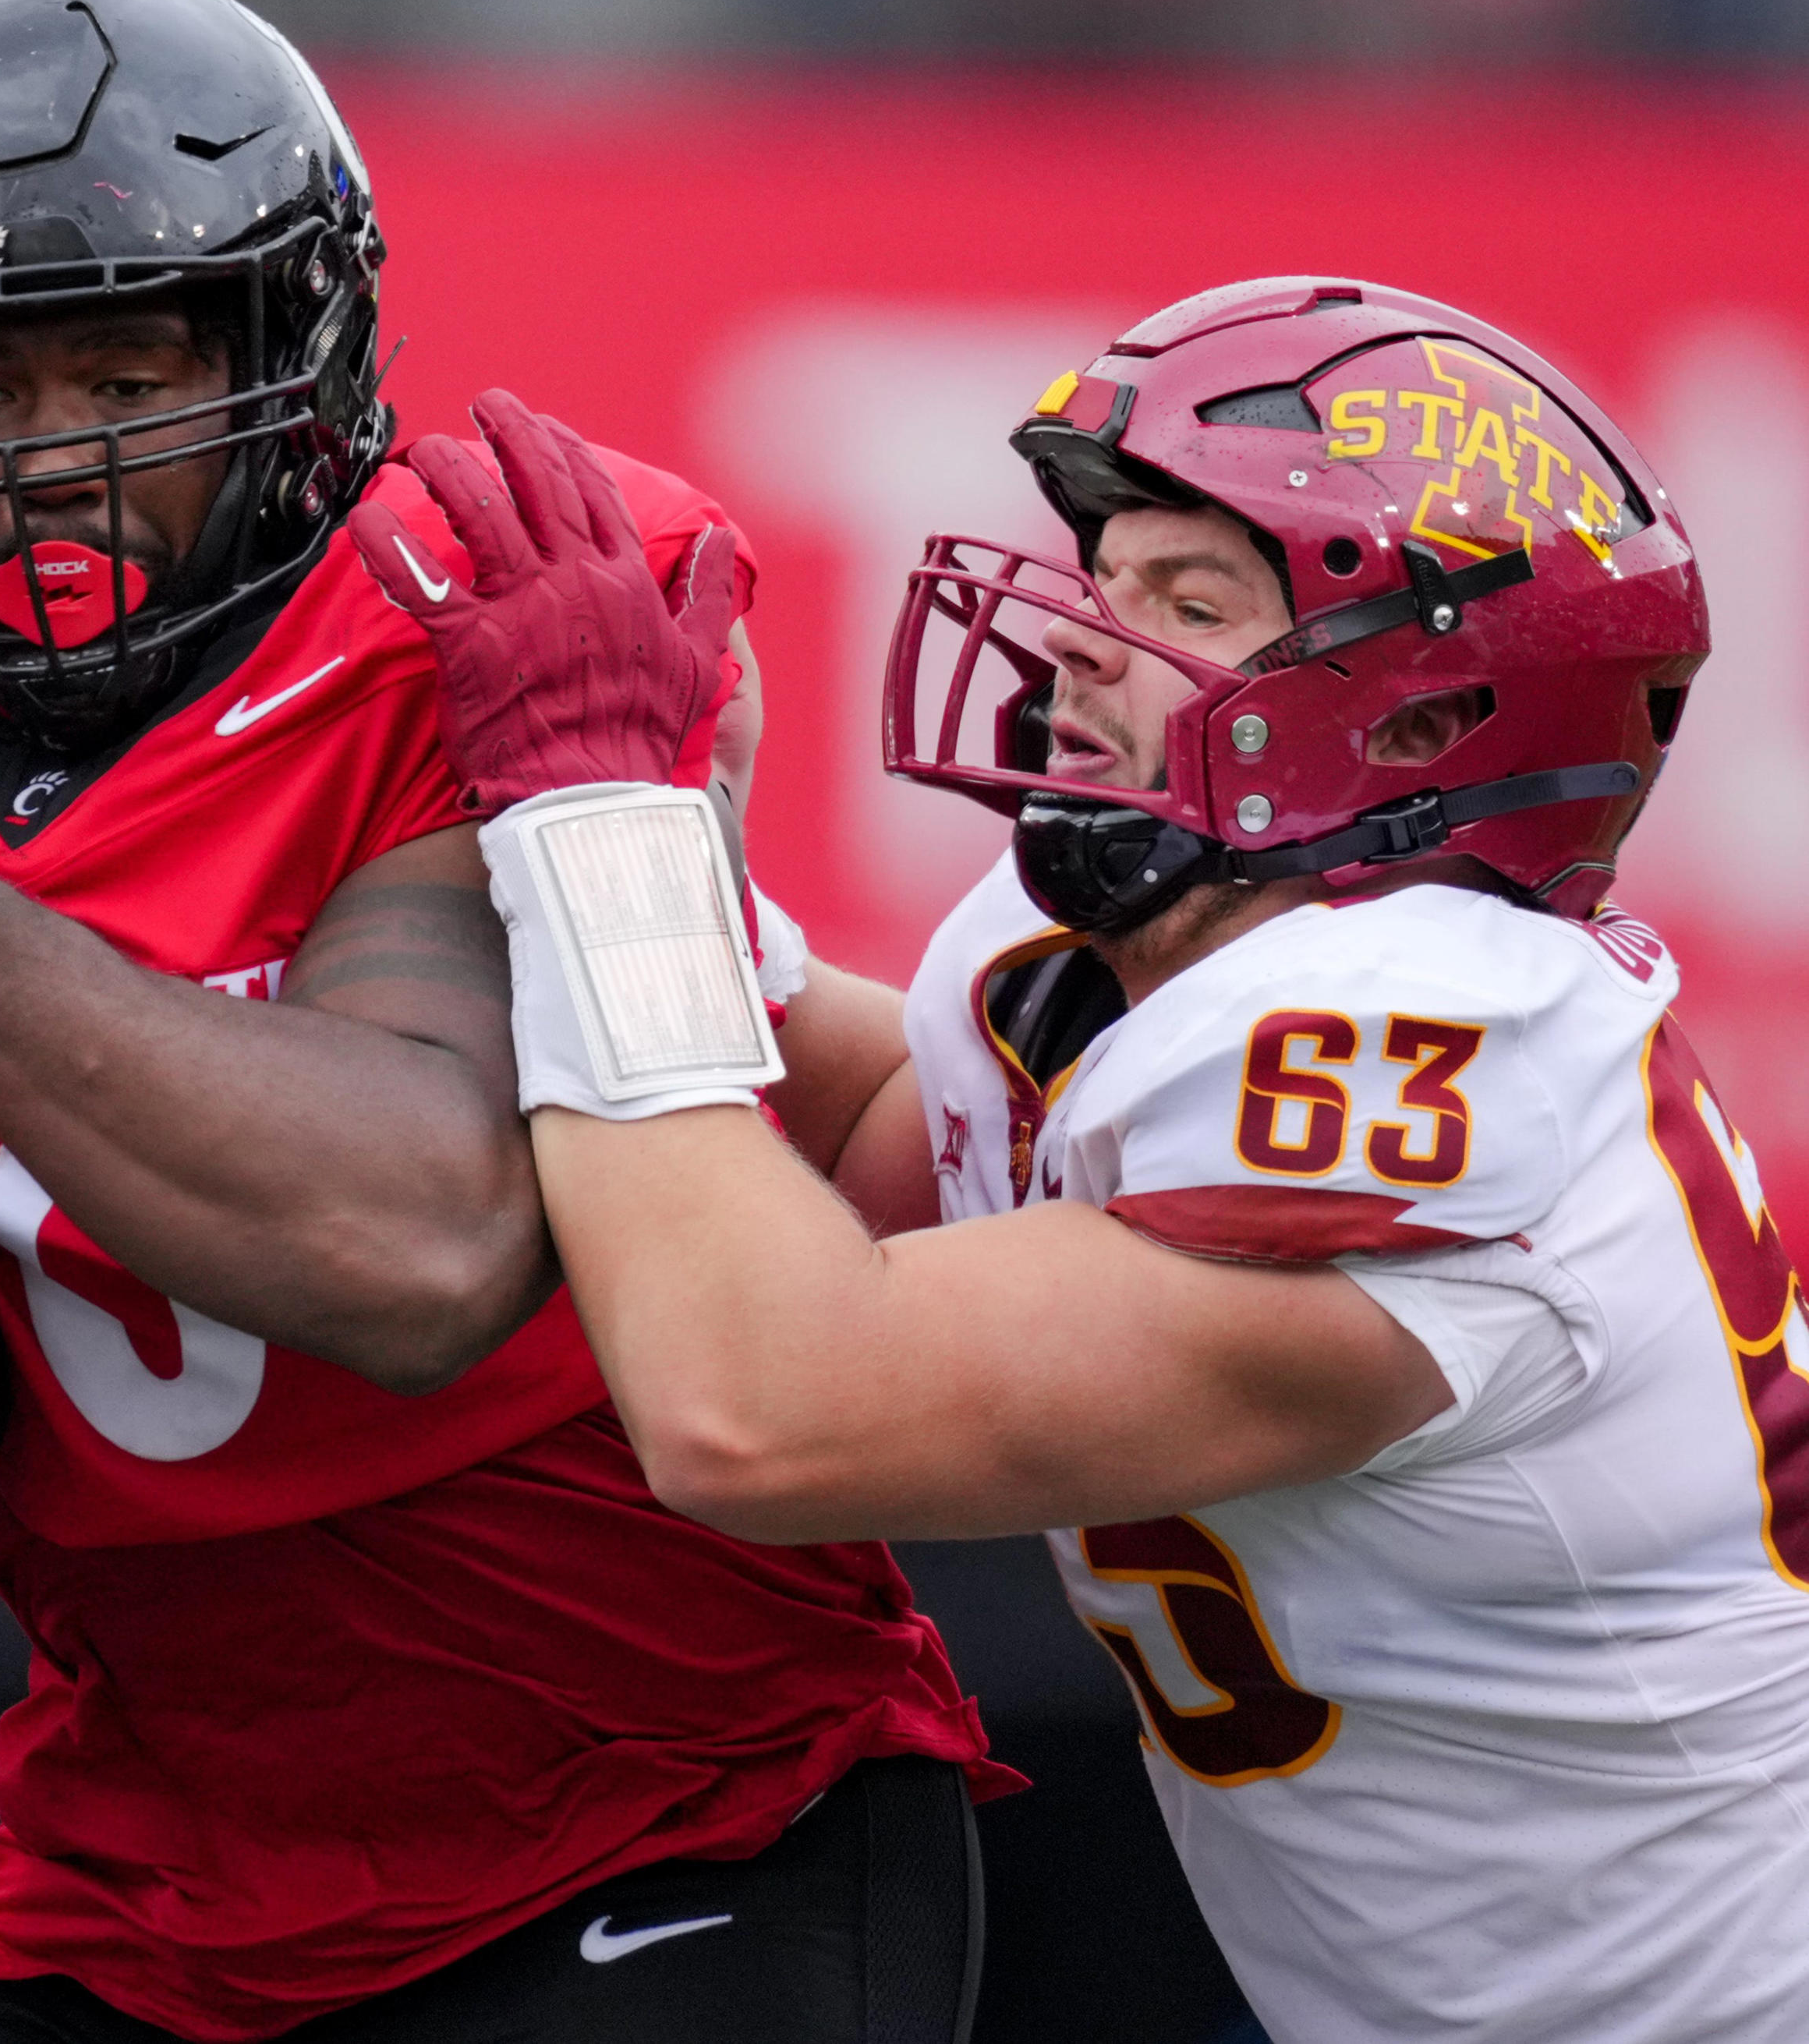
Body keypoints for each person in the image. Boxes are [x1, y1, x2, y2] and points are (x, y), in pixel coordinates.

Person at [0, 0, 1004, 2044]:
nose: (51, 464)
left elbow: (409, 1240)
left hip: (661, 1809)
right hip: (142, 1860)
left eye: (122, 380)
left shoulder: (492, 605)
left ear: (298, 358)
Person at [355, 281, 1809, 2042]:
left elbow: (755, 1395)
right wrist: (683, 859)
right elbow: (825, 1185)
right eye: (1108, 581)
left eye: (1189, 604)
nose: (1081, 645)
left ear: (1421, 731)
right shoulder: (1109, 962)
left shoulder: (1424, 1050)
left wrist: (604, 830)